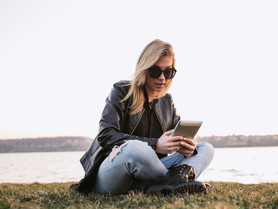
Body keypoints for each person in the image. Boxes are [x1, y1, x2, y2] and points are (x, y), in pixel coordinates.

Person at [71, 39, 215, 195]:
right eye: (155, 71)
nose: (162, 78)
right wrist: (156, 144)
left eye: (168, 72)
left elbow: (178, 137)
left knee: (205, 148)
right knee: (134, 148)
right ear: (144, 69)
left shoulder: (167, 101)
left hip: (149, 173)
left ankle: (168, 183)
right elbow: (106, 135)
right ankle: (177, 181)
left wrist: (189, 148)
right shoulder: (121, 90)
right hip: (113, 172)